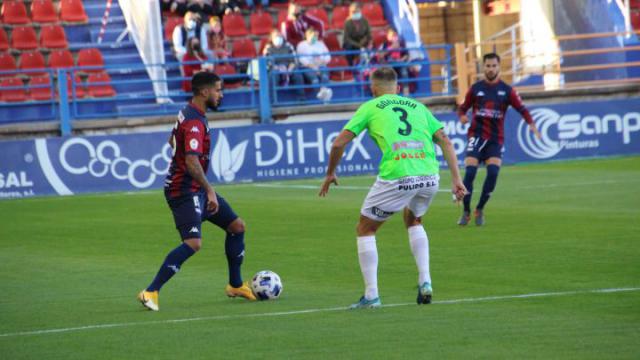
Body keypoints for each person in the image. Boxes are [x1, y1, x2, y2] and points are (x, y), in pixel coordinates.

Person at [319, 67, 467, 309]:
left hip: (398, 174)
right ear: (398, 89)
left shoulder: (370, 106)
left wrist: (330, 173)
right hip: (429, 175)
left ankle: (371, 295)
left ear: (373, 89)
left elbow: (338, 144)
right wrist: (456, 179)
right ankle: (425, 281)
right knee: (414, 220)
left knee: (365, 228)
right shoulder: (417, 106)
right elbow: (445, 141)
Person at [138, 72, 256, 311]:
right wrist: (209, 190)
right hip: (183, 190)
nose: (221, 95)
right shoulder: (194, 122)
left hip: (194, 188)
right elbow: (191, 161)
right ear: (205, 92)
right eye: (218, 90)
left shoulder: (189, 112)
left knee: (237, 227)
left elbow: (171, 141)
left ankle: (234, 284)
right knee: (193, 243)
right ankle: (150, 291)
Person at [457, 53, 541, 226]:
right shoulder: (475, 89)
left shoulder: (507, 91)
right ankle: (465, 211)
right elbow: (462, 108)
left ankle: (479, 209)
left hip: (495, 139)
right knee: (470, 173)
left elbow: (522, 109)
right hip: (476, 136)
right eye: (487, 66)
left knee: (493, 173)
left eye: (494, 66)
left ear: (499, 67)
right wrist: (462, 116)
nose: (490, 69)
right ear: (483, 67)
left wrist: (531, 124)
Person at [263, 28, 304, 98]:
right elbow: (267, 62)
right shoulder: (268, 48)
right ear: (271, 38)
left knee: (297, 74)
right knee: (273, 75)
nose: (278, 38)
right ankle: (272, 100)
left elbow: (294, 59)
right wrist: (278, 68)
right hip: (275, 68)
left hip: (289, 67)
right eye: (275, 36)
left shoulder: (288, 45)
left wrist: (290, 68)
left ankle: (301, 98)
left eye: (279, 36)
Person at [376, 28, 410, 95]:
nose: (393, 36)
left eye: (395, 35)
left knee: (404, 71)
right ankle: (390, 93)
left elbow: (406, 55)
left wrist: (402, 59)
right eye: (391, 35)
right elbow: (380, 55)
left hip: (399, 63)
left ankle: (406, 93)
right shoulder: (385, 44)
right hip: (389, 63)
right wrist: (391, 48)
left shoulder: (401, 43)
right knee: (388, 72)